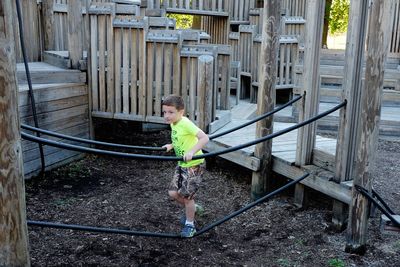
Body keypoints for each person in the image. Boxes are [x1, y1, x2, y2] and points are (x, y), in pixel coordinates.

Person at [162, 95, 209, 238]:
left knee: (187, 197)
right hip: (182, 164)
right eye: (164, 112)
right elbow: (180, 139)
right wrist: (171, 145)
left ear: (181, 112)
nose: (167, 116)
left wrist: (191, 152)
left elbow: (205, 138)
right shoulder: (174, 123)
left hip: (194, 165)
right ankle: (193, 209)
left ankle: (190, 225)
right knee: (173, 193)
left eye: (171, 112)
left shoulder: (185, 123)